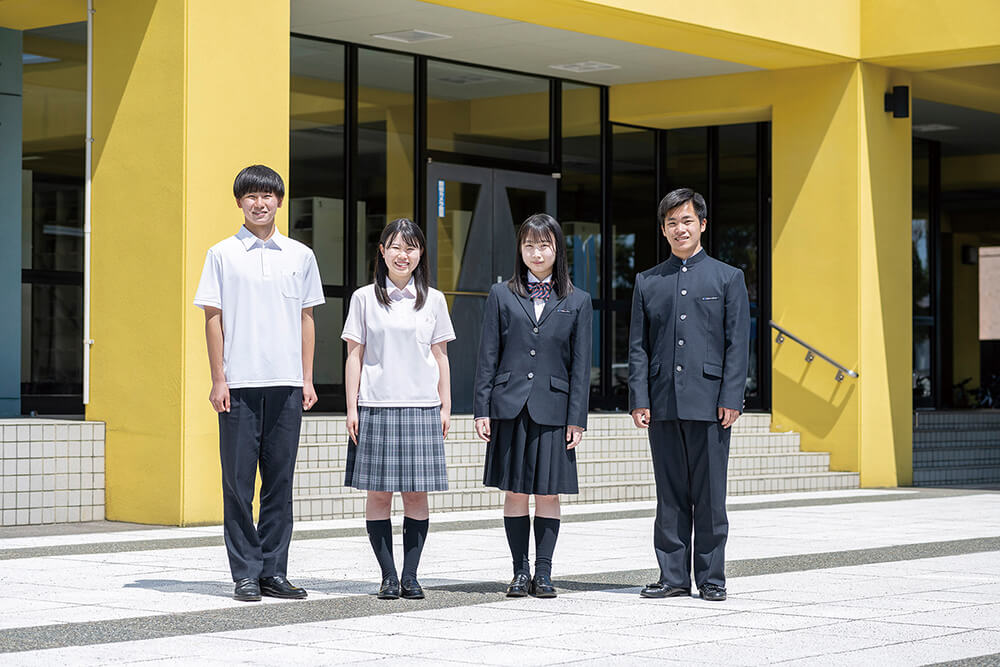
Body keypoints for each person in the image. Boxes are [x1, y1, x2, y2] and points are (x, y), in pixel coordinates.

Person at [193, 164, 324, 602]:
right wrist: (218, 379)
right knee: (237, 482)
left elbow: (307, 320)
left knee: (279, 483)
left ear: (280, 201)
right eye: (251, 196)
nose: (260, 203)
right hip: (240, 384)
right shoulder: (221, 254)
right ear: (239, 203)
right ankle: (245, 573)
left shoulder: (300, 255)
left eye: (268, 196)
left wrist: (307, 377)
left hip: (287, 383)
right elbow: (214, 320)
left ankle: (273, 571)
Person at [627, 188, 750, 602]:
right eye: (672, 222)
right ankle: (673, 576)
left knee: (711, 496)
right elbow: (638, 347)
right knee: (670, 495)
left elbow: (738, 344)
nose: (680, 228)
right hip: (662, 403)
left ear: (702, 224)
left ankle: (712, 578)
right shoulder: (648, 281)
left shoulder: (727, 277)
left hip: (712, 403)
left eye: (687, 220)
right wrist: (639, 398)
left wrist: (731, 396)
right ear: (663, 230)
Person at [473, 213, 593, 599]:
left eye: (544, 245)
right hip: (509, 406)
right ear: (520, 249)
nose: (536, 252)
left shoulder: (578, 301)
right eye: (529, 244)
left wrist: (577, 419)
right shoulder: (501, 295)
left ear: (557, 249)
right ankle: (519, 572)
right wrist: (481, 408)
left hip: (554, 408)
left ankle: (544, 573)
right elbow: (487, 355)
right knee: (514, 492)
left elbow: (580, 365)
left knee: (548, 493)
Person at [342, 218, 455, 601]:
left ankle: (411, 576)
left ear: (420, 254)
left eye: (410, 248)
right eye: (395, 247)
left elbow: (441, 356)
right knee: (378, 495)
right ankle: (388, 576)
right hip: (376, 404)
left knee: (416, 495)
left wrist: (445, 405)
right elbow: (354, 356)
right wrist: (351, 406)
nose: (402, 255)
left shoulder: (434, 300)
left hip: (422, 406)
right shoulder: (363, 298)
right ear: (382, 252)